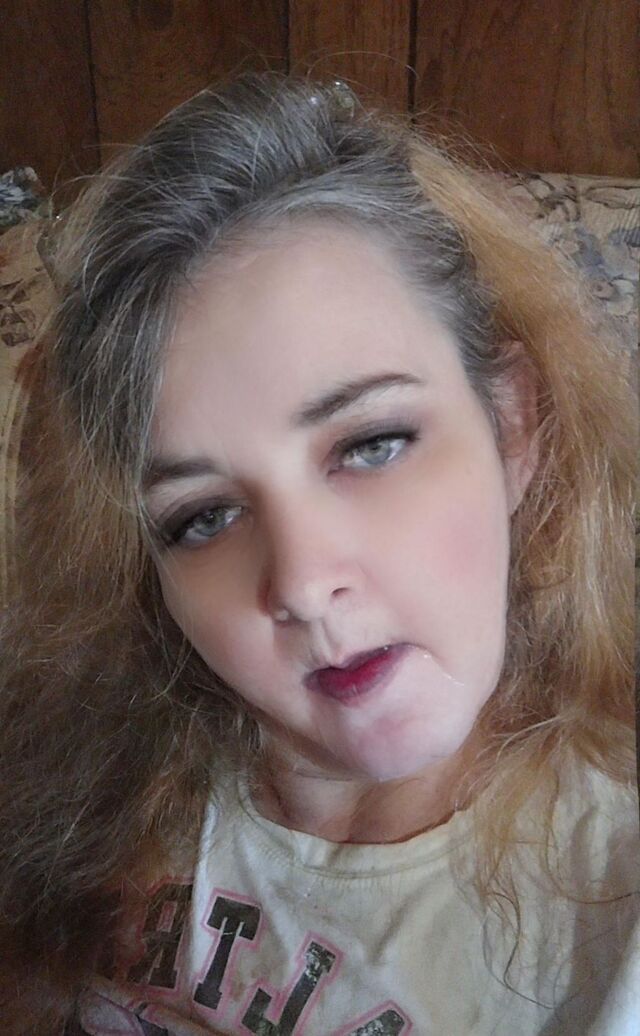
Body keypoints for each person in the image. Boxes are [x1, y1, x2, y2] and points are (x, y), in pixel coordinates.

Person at [0, 71, 637, 1036]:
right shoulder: (83, 782)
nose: (300, 584)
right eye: (202, 517)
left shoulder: (614, 910)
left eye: (371, 444)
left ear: (509, 427)